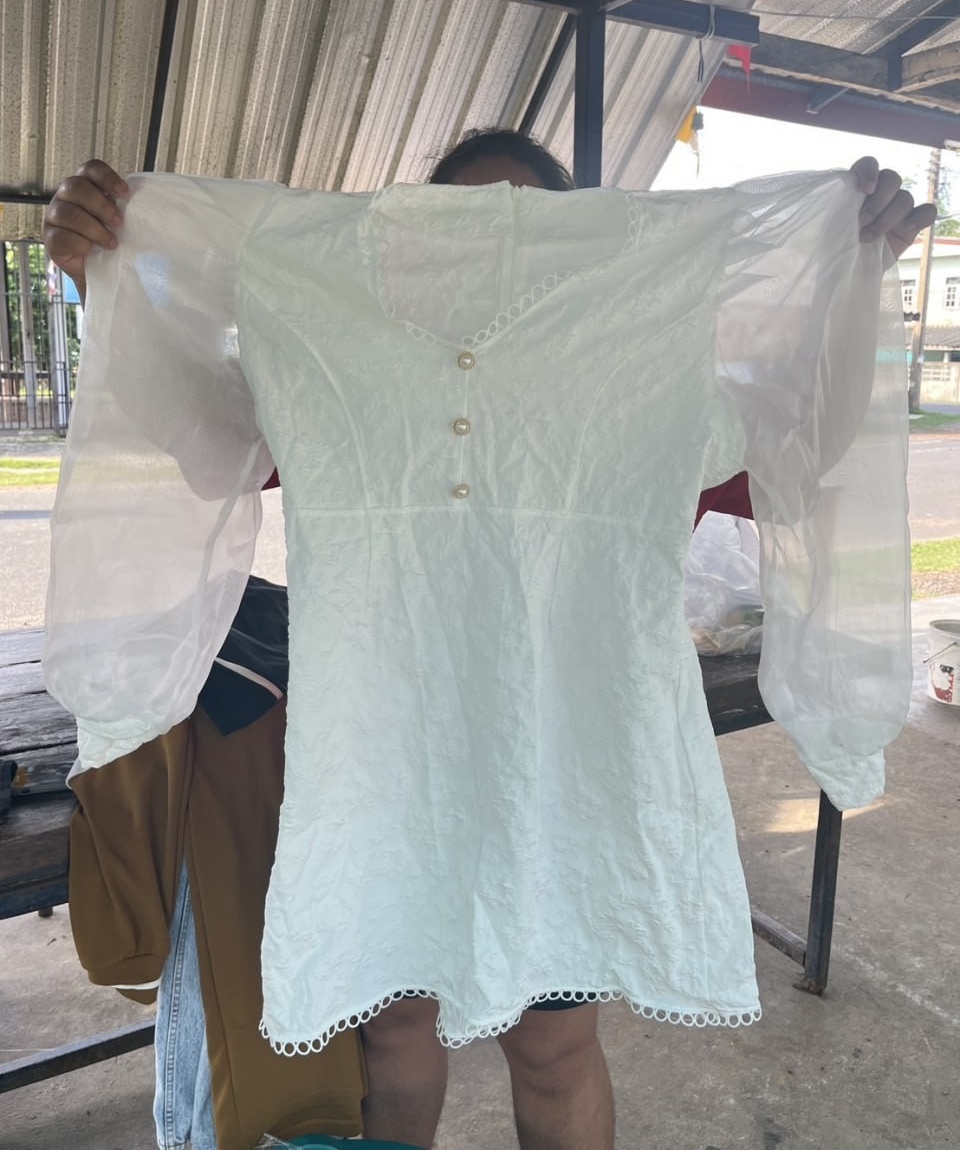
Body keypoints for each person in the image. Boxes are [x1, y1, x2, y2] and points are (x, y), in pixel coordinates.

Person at [42, 131, 935, 1150]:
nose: (495, 249)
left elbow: (804, 438)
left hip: (565, 774)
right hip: (385, 769)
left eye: (533, 230)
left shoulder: (644, 338)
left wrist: (854, 272)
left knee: (553, 1047)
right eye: (460, 231)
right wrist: (108, 282)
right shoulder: (345, 342)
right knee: (392, 1033)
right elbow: (201, 428)